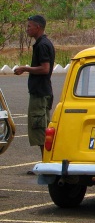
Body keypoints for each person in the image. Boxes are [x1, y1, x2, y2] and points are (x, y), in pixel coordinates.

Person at [14, 15, 55, 170]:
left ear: (38, 27)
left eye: (29, 26)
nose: (27, 29)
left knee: (40, 130)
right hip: (43, 91)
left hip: (40, 93)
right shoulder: (42, 44)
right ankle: (46, 162)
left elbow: (45, 68)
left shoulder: (42, 45)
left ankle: (47, 164)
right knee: (42, 129)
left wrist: (25, 68)